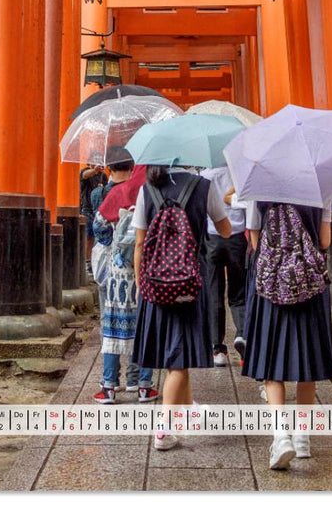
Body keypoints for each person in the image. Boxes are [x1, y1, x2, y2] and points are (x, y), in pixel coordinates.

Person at [131, 165, 232, 451]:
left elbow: (139, 243)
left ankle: (188, 410)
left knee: (179, 354)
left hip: (155, 281)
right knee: (178, 357)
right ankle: (163, 429)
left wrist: (141, 283)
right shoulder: (203, 186)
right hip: (190, 281)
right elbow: (225, 230)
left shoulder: (146, 189)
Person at [241, 200, 332, 470]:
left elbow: (255, 240)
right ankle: (303, 437)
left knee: (272, 364)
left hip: (271, 287)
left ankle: (281, 436)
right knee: (308, 363)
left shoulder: (258, 186)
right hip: (310, 284)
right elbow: (325, 241)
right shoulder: (320, 186)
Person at [90, 155, 159, 404]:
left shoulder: (120, 191)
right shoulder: (155, 194)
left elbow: (98, 225)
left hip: (120, 274)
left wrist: (115, 247)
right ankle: (144, 386)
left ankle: (108, 386)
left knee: (113, 328)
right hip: (148, 269)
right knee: (145, 326)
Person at [199, 166, 248, 366]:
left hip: (212, 238)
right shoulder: (240, 172)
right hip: (236, 237)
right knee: (239, 293)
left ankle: (217, 348)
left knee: (214, 291)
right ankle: (242, 334)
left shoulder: (203, 177)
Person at [80, 160, 108, 273]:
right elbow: (84, 176)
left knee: (100, 236)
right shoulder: (85, 171)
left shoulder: (103, 175)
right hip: (87, 208)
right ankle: (87, 262)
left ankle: (96, 261)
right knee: (88, 236)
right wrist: (95, 170)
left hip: (99, 209)